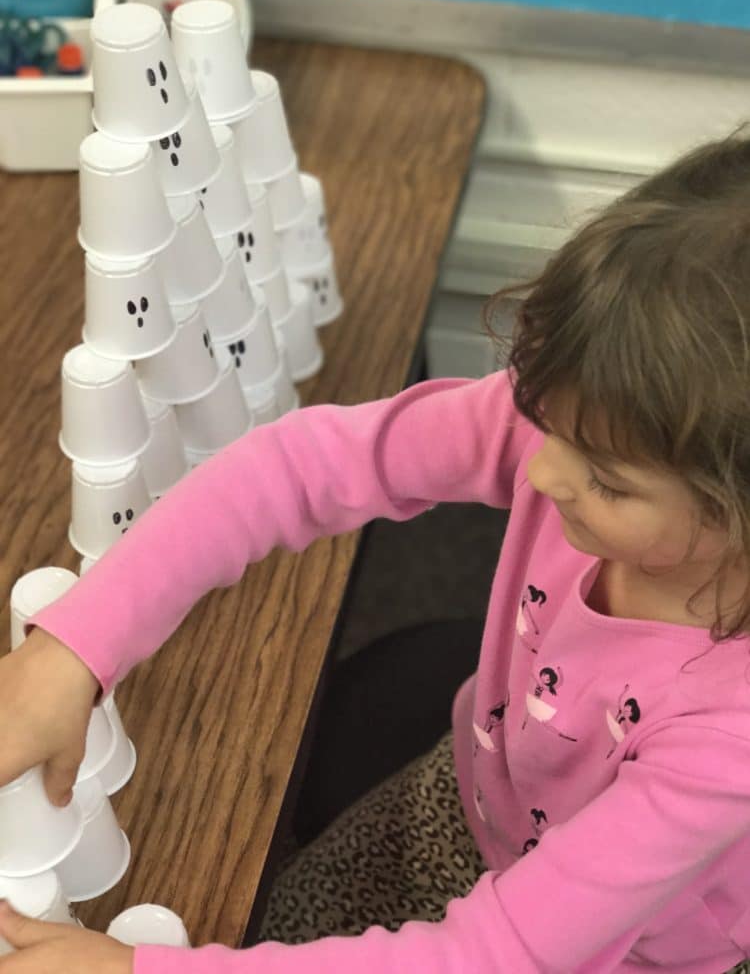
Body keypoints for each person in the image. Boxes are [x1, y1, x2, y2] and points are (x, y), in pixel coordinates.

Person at [1, 126, 750, 974]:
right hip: (480, 791)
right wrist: (75, 647)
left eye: (607, 483)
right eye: (542, 422)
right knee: (281, 920)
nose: (541, 470)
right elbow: (300, 468)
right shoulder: (599, 424)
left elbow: (493, 958)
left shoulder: (728, 736)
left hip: (632, 949)